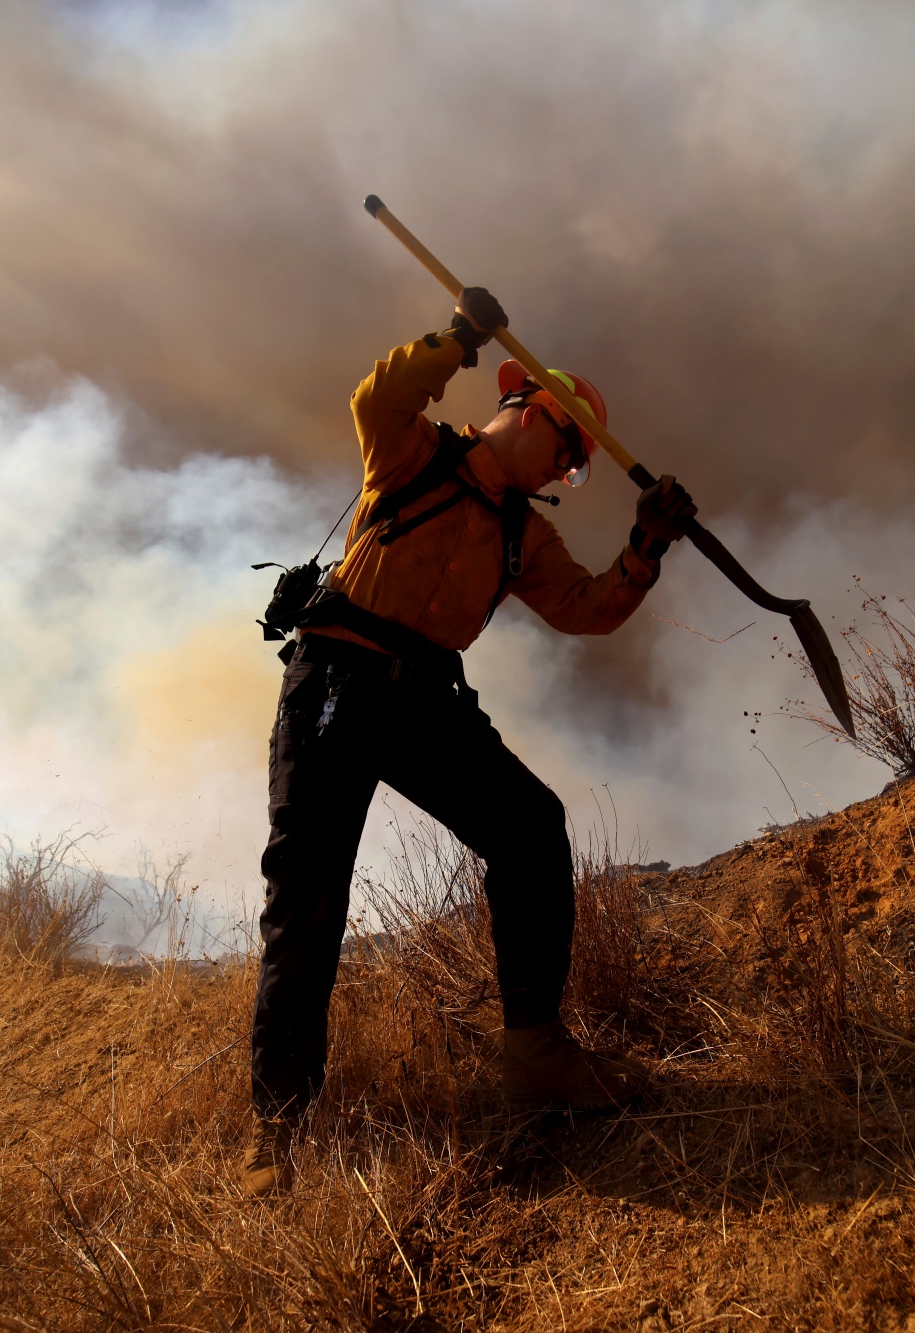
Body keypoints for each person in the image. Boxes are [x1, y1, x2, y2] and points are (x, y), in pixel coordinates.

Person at [244, 287, 696, 1195]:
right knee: (310, 893)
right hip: (337, 678)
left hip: (426, 701)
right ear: (528, 410)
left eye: (574, 462)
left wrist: (647, 547)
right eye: (563, 443)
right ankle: (279, 1127)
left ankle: (535, 1055)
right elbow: (376, 398)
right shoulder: (412, 453)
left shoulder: (523, 535)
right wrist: (456, 339)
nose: (562, 465)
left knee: (530, 826)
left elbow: (588, 609)